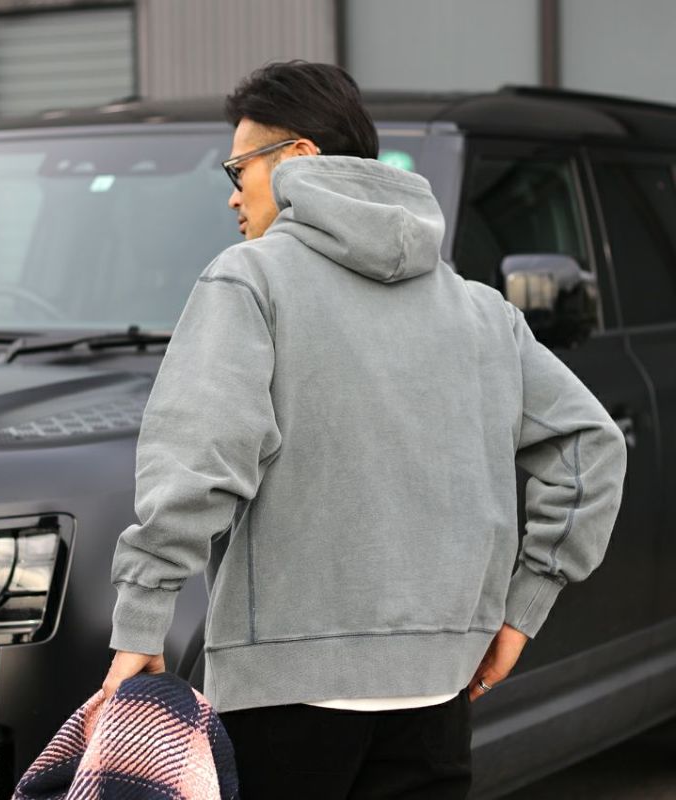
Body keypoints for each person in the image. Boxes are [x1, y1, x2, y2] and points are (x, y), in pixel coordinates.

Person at [101, 61, 627, 798]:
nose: (232, 194)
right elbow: (589, 448)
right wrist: (520, 615)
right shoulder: (481, 312)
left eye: (237, 168)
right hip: (437, 693)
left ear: (298, 157)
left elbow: (200, 462)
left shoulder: (251, 280)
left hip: (284, 693)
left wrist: (142, 618)